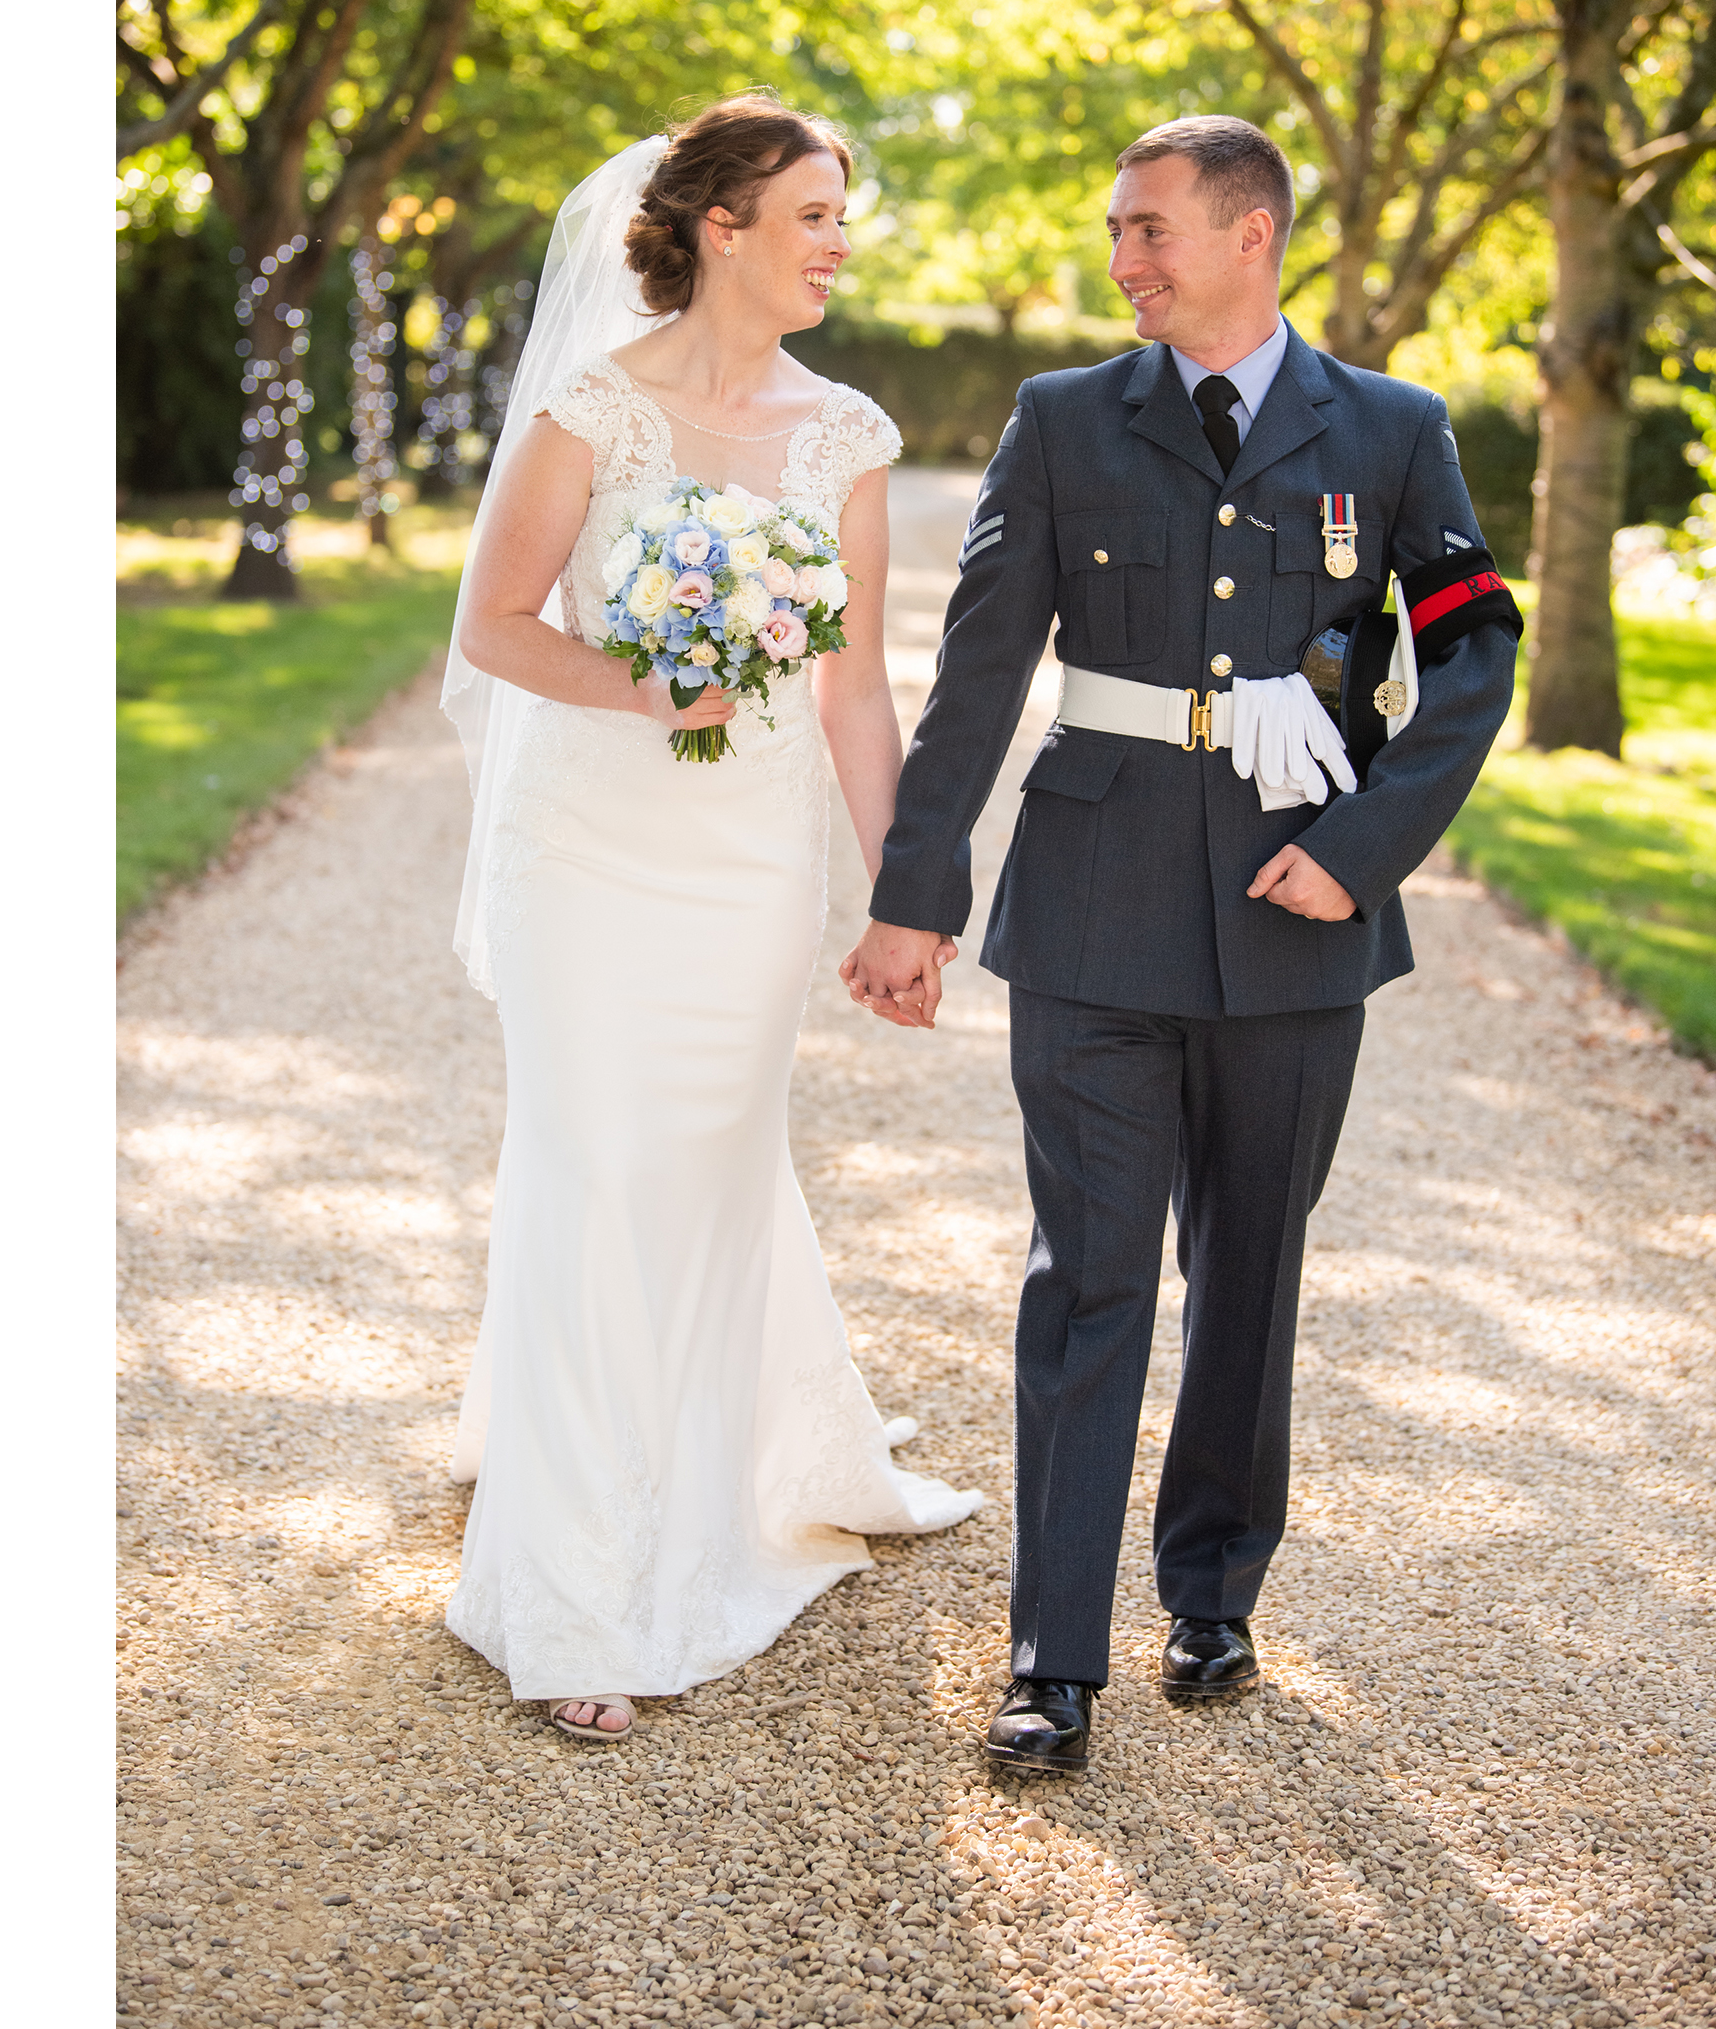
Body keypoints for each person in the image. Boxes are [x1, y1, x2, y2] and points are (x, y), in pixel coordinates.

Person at [843, 116, 1520, 1778]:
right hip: (1091, 909)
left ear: (1252, 235)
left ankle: (1212, 1589)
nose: (1125, 259)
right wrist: (916, 890)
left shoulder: (1395, 430)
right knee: (1089, 1280)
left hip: (1299, 926)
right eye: (1119, 230)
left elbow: (1473, 653)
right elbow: (983, 671)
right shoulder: (1066, 420)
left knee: (1252, 1279)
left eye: (1150, 229)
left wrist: (1360, 856)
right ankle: (1051, 1654)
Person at [441, 94, 982, 1743]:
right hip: (589, 855)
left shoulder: (851, 439)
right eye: (814, 213)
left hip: (748, 870)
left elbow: (858, 700)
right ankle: (580, 1587)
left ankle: (706, 1488)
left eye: (843, 216)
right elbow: (496, 627)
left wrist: (910, 898)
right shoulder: (593, 412)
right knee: (594, 1168)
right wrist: (650, 677)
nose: (839, 241)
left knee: (704, 1175)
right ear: (722, 229)